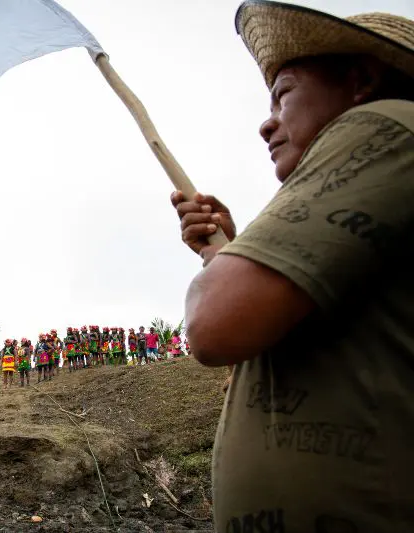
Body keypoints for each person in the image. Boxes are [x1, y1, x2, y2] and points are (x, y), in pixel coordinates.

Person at [173, 3, 414, 531]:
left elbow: (213, 325)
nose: (267, 123)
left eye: (283, 94)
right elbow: (258, 341)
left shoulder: (388, 124)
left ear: (362, 81)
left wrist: (220, 272)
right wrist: (223, 253)